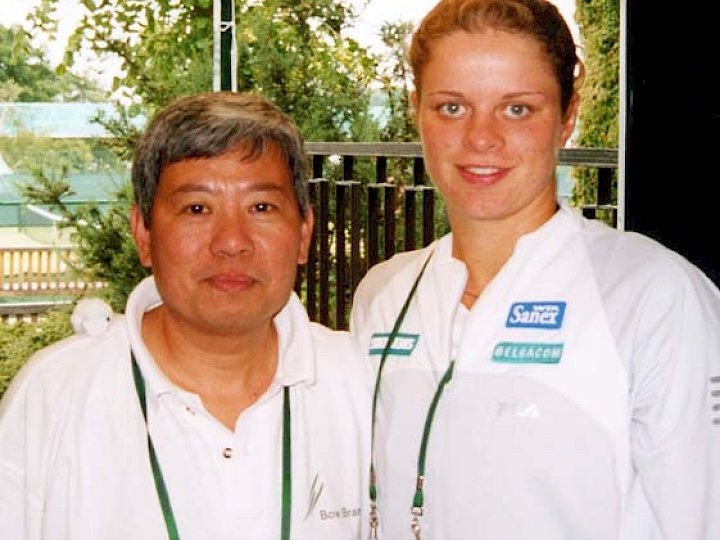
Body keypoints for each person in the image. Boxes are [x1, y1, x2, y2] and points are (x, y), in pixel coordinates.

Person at [349, 1, 720, 539]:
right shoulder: (385, 295)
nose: (481, 138)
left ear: (568, 116)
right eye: (452, 107)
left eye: (517, 109)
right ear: (417, 111)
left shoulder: (654, 295)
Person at [0, 91, 370, 540]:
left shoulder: (358, 381)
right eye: (197, 208)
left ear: (303, 234)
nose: (232, 241)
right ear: (143, 233)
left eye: (261, 208)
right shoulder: (56, 393)